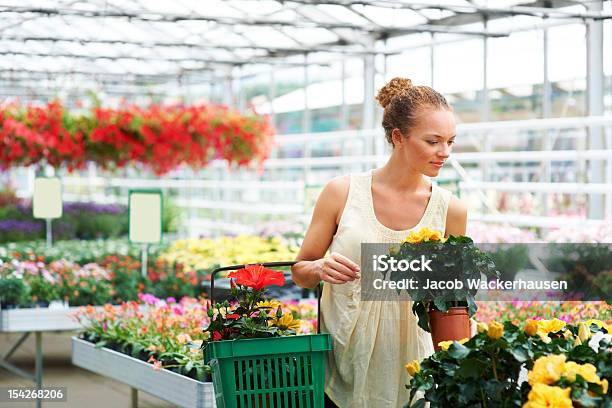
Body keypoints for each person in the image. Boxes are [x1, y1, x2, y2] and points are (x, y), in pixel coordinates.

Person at [291, 77, 467, 407]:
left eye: (450, 142)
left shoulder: (451, 210)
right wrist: (319, 266)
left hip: (415, 379)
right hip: (341, 371)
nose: (444, 153)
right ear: (398, 137)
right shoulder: (341, 193)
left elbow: (452, 304)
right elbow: (300, 271)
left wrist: (458, 370)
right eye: (432, 141)